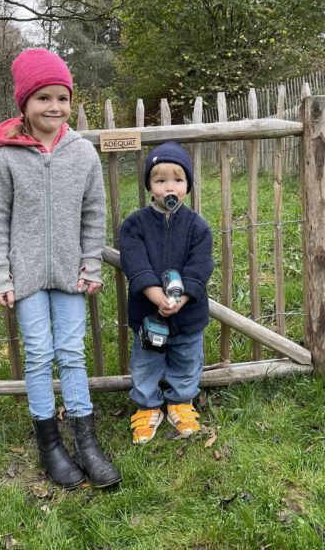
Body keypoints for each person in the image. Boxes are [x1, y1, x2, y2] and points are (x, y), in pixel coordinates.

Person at [0, 48, 120, 488]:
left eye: (62, 97)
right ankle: (49, 444)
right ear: (24, 103)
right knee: (39, 355)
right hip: (24, 276)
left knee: (72, 353)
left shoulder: (82, 154)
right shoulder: (6, 157)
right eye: (43, 98)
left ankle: (86, 442)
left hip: (70, 274)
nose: (54, 107)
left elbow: (94, 212)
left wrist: (91, 264)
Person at [119, 142, 214, 444]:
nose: (169, 187)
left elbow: (200, 266)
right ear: (149, 184)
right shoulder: (135, 225)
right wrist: (153, 293)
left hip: (187, 314)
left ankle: (180, 402)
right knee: (145, 362)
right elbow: (134, 260)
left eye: (177, 179)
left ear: (188, 185)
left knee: (187, 358)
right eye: (160, 180)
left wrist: (182, 297)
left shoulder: (198, 227)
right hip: (149, 313)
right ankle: (148, 407)